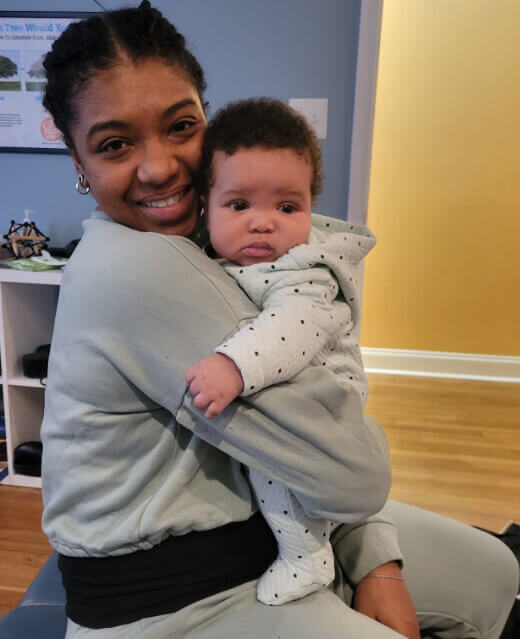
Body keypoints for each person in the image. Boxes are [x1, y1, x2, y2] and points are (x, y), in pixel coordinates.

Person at [40, 3, 519, 639]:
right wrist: (364, 540)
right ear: (78, 159)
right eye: (115, 144)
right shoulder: (132, 271)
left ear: (208, 122)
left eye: (180, 127)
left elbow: (320, 390)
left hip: (269, 529)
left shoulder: (222, 232)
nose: (158, 167)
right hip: (176, 598)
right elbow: (352, 472)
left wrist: (377, 561)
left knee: (493, 573)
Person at [186, 97, 375, 606]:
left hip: (324, 395)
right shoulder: (210, 255)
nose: (263, 223)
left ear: (311, 209)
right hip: (293, 384)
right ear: (206, 202)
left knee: (272, 455)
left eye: (287, 207)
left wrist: (232, 366)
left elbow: (292, 328)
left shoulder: (304, 271)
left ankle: (305, 555)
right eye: (239, 205)